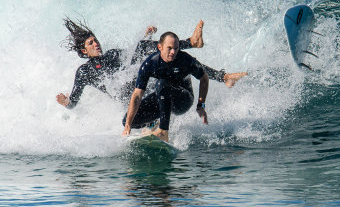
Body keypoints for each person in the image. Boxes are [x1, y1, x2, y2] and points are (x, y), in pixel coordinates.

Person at [56, 18, 247, 109]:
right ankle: (192, 43)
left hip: (138, 86)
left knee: (152, 52)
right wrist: (66, 102)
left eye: (95, 40)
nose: (96, 44)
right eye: (91, 43)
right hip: (127, 98)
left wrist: (147, 36)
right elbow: (73, 103)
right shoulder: (83, 72)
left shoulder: (112, 55)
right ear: (83, 51)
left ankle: (223, 76)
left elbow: (133, 51)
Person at [122, 32, 209, 142]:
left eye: (176, 48)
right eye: (169, 48)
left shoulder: (185, 60)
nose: (173, 52)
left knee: (162, 84)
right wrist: (128, 126)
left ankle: (163, 132)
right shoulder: (150, 64)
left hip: (183, 100)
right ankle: (152, 124)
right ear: (160, 47)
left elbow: (204, 78)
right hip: (163, 97)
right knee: (128, 120)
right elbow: (137, 95)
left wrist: (201, 105)